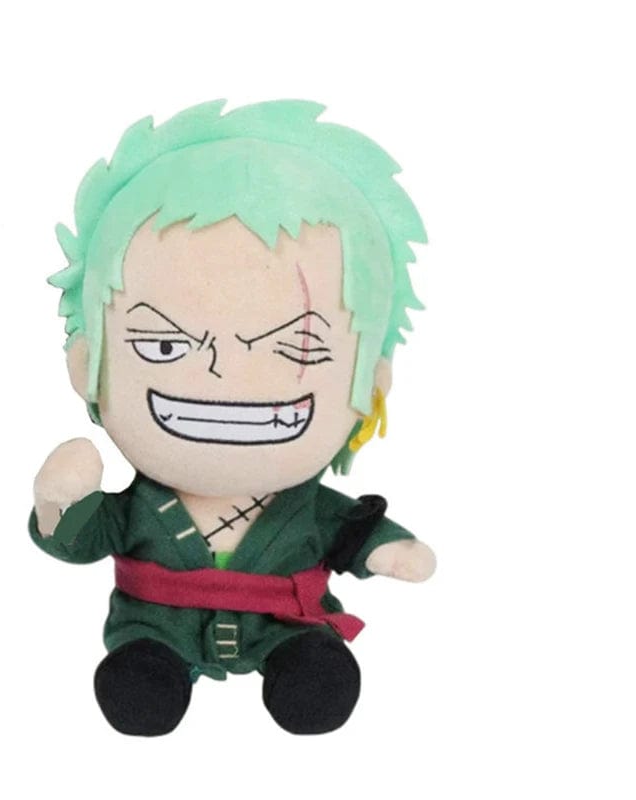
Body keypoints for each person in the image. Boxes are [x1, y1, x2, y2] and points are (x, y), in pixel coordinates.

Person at [30, 100, 436, 736]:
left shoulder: (305, 507)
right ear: (89, 365)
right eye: (164, 345)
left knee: (315, 678)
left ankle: (300, 665)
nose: (221, 372)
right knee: (140, 681)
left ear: (370, 384)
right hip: (154, 628)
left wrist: (385, 548)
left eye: (297, 348)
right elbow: (79, 540)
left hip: (288, 626)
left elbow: (348, 530)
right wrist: (62, 501)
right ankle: (150, 668)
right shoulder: (140, 508)